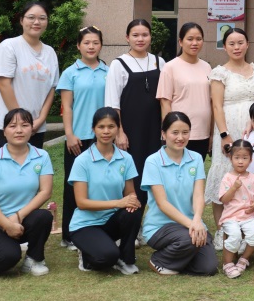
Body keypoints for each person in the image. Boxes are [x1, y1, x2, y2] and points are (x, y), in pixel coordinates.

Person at [0, 108, 54, 277]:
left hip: (21, 220)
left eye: (25, 125)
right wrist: (7, 225)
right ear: (4, 132)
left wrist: (18, 216)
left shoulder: (42, 156)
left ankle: (33, 259)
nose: (19, 130)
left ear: (32, 129)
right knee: (8, 257)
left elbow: (45, 192)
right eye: (12, 126)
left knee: (43, 217)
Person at [141, 111, 218, 276]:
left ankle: (178, 260)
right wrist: (192, 225)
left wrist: (197, 220)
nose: (180, 137)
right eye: (175, 132)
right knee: (189, 240)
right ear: (164, 134)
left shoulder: (196, 158)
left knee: (208, 267)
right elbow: (162, 203)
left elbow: (198, 195)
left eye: (185, 132)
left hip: (190, 224)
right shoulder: (153, 161)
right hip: (160, 226)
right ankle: (159, 260)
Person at [205, 27, 254, 241]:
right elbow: (217, 106)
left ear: (248, 44)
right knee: (225, 175)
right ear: (225, 47)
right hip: (229, 127)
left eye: (240, 43)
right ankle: (223, 229)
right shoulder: (219, 72)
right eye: (231, 43)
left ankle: (250, 227)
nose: (236, 47)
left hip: (253, 130)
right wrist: (224, 134)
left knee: (250, 175)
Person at [68, 107, 141, 275]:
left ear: (118, 129)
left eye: (111, 126)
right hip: (86, 225)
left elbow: (130, 193)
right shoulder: (82, 161)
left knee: (134, 210)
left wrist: (132, 200)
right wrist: (118, 203)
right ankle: (86, 254)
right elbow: (82, 203)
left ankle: (126, 259)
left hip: (111, 222)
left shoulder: (126, 158)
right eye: (101, 127)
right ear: (93, 129)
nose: (106, 131)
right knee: (106, 258)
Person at [58, 25, 109, 249]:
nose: (91, 46)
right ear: (78, 46)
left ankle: (99, 230)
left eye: (95, 42)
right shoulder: (70, 73)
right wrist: (69, 134)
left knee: (100, 184)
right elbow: (67, 106)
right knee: (74, 186)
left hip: (103, 137)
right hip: (78, 139)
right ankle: (69, 235)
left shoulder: (108, 71)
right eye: (86, 43)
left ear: (101, 45)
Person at [105, 18, 161, 217]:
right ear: (127, 38)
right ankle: (131, 221)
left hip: (155, 129)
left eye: (144, 35)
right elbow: (113, 103)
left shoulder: (159, 61)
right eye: (135, 35)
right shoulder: (118, 64)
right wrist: (119, 132)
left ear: (150, 37)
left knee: (155, 174)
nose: (140, 39)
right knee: (133, 175)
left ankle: (153, 222)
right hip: (130, 130)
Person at [0, 1, 59, 152]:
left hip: (36, 127)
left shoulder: (50, 52)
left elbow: (52, 88)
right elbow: (4, 84)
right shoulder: (9, 46)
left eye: (42, 18)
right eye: (31, 17)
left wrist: (40, 119)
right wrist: (21, 122)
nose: (36, 22)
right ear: (21, 20)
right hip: (7, 125)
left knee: (32, 167)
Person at [157, 22, 213, 158]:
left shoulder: (207, 67)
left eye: (198, 39)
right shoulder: (170, 67)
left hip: (202, 133)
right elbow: (165, 103)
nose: (195, 43)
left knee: (196, 169)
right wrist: (169, 131)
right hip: (179, 134)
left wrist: (212, 133)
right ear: (181, 42)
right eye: (190, 39)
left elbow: (211, 103)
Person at [218, 140, 254, 278]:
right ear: (231, 158)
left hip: (248, 216)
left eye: (245, 158)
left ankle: (244, 259)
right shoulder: (227, 178)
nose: (240, 161)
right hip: (230, 216)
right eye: (237, 157)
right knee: (235, 236)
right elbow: (224, 200)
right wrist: (234, 187)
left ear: (251, 159)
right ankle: (227, 264)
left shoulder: (253, 178)